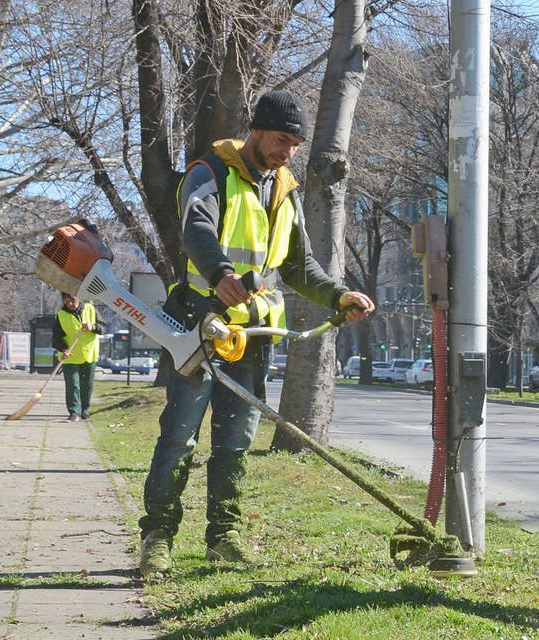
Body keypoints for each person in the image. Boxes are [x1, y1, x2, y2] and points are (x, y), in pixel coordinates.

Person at [138, 89, 375, 579]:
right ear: (257, 129)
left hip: (252, 337)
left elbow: (298, 265)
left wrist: (337, 296)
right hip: (201, 328)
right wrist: (221, 273)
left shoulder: (285, 190)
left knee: (235, 440)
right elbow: (195, 230)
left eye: (295, 144)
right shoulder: (210, 173)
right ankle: (157, 537)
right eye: (281, 140)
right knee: (179, 436)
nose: (287, 152)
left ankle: (224, 537)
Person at [51, 293, 102, 421]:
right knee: (73, 384)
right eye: (66, 301)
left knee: (87, 384)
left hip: (89, 354)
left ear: (79, 298)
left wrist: (92, 327)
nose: (70, 304)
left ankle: (84, 410)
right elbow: (56, 337)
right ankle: (74, 411)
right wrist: (63, 349)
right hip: (70, 356)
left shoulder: (91, 309)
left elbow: (103, 328)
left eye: (73, 300)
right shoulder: (61, 315)